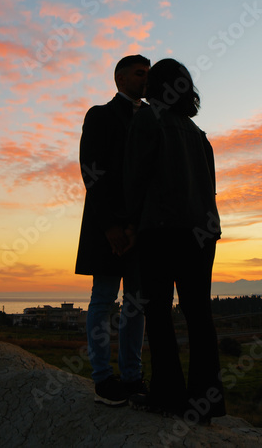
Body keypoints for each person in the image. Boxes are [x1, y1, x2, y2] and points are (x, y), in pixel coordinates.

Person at [123, 58, 226, 423]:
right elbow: (210, 187)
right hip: (202, 233)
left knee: (159, 313)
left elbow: (136, 176)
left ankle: (167, 395)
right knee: (199, 315)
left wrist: (128, 223)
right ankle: (205, 403)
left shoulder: (148, 119)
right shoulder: (199, 135)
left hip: (161, 230)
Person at [75, 54, 150, 406]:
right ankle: (104, 380)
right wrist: (110, 226)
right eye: (139, 73)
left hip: (140, 230)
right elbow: (91, 171)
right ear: (120, 78)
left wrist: (136, 227)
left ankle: (133, 377)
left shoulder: (152, 118)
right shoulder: (100, 115)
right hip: (106, 228)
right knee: (103, 300)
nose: (146, 79)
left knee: (136, 303)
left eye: (148, 73)